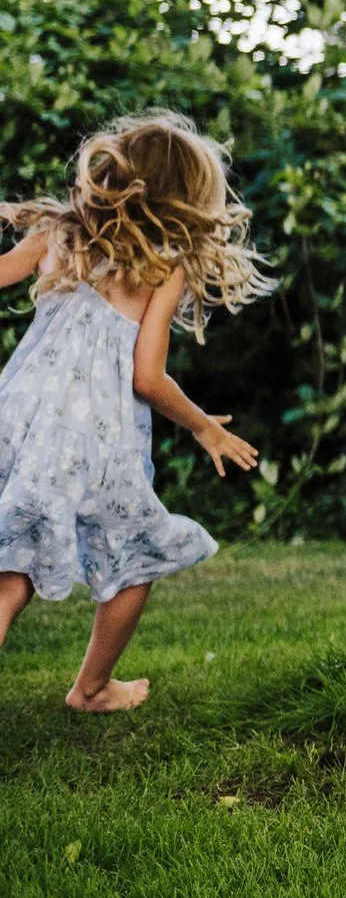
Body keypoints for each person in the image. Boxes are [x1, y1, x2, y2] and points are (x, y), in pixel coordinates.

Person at [0, 112, 275, 712]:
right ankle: (90, 688)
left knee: (9, 569)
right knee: (136, 554)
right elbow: (146, 377)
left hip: (16, 420)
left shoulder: (58, 232)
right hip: (95, 444)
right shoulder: (162, 264)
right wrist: (203, 426)